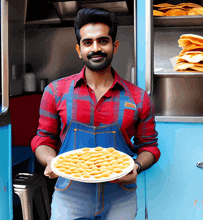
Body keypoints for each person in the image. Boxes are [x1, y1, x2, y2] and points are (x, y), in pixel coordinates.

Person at [31, 7, 160, 220]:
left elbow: (149, 147)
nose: (95, 48)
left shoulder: (138, 98)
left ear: (114, 46)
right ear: (78, 49)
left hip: (120, 197)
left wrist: (136, 166)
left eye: (103, 41)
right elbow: (43, 139)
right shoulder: (55, 92)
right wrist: (50, 162)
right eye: (88, 42)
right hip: (71, 197)